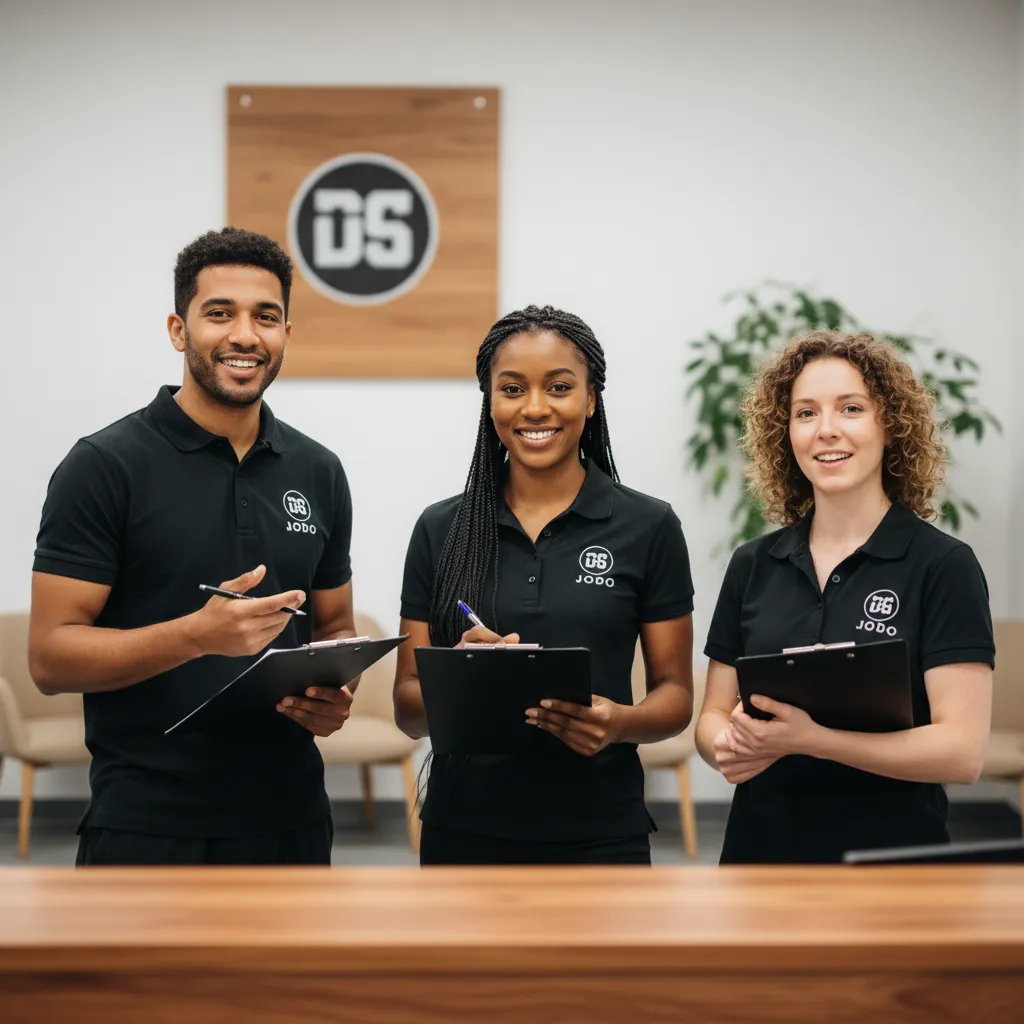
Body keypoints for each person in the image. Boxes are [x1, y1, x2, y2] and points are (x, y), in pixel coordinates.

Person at [29, 227, 357, 866]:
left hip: (292, 820)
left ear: (287, 333)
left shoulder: (319, 470)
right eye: (219, 314)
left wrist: (333, 697)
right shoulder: (104, 465)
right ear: (179, 330)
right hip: (146, 824)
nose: (244, 335)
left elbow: (336, 626)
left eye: (265, 316)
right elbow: (49, 659)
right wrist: (198, 636)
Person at [394, 305, 694, 865]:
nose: (535, 408)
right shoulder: (442, 529)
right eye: (512, 389)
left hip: (602, 828)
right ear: (490, 401)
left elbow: (675, 697)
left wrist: (618, 722)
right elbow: (407, 710)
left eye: (559, 387)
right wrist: (456, 677)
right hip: (464, 828)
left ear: (591, 398)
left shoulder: (649, 527)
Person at [696, 329, 994, 864]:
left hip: (892, 863)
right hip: (758, 859)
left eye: (850, 408)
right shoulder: (753, 564)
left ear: (890, 425)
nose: (826, 430)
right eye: (805, 413)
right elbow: (712, 719)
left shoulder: (943, 566)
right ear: (784, 433)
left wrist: (809, 739)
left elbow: (961, 752)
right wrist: (728, 745)